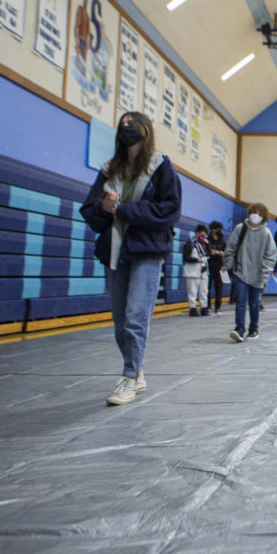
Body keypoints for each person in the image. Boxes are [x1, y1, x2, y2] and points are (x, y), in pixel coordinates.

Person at [80, 111, 181, 406]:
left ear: (145, 131)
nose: (126, 130)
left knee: (137, 315)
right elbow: (90, 213)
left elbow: (169, 211)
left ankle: (128, 377)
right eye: (122, 126)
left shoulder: (160, 166)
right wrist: (104, 209)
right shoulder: (108, 170)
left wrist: (122, 210)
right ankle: (137, 372)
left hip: (147, 251)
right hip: (114, 250)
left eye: (132, 126)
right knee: (121, 321)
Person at [223, 203, 276, 342]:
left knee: (254, 303)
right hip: (241, 272)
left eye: (259, 213)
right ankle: (239, 328)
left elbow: (270, 255)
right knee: (240, 301)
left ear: (263, 216)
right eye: (254, 212)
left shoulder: (266, 233)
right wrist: (227, 265)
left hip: (258, 275)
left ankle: (254, 328)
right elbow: (231, 248)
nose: (255, 216)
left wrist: (265, 274)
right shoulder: (240, 229)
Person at [182, 223, 210, 316]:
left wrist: (207, 244)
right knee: (192, 290)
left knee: (204, 290)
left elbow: (209, 254)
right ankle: (192, 308)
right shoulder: (190, 243)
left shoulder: (204, 244)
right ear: (197, 233)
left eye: (204, 234)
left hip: (203, 270)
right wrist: (196, 260)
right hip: (193, 270)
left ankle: (204, 307)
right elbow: (186, 257)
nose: (203, 236)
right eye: (202, 234)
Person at [206, 221, 227, 313]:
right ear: (212, 229)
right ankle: (208, 305)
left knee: (219, 287)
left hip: (219, 266)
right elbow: (205, 251)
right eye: (217, 229)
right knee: (207, 287)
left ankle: (218, 306)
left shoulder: (222, 241)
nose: (219, 231)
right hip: (209, 265)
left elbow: (227, 253)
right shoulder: (207, 240)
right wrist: (210, 252)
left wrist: (223, 254)